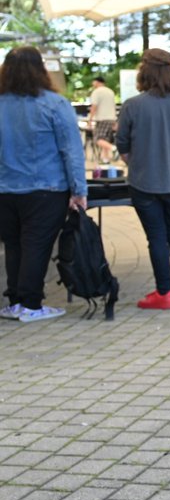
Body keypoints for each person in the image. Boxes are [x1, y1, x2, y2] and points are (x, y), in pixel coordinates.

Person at [0, 46, 87, 323]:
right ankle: (31, 304)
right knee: (37, 245)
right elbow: (71, 151)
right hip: (46, 189)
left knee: (14, 246)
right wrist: (79, 190)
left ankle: (15, 301)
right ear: (41, 70)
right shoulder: (55, 104)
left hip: (5, 189)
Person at [116, 49, 170, 309]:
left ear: (144, 72)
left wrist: (137, 162)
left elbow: (122, 144)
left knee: (156, 237)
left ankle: (164, 292)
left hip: (144, 182)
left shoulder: (133, 105)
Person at [88, 76, 118, 163]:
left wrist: (90, 119)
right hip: (111, 118)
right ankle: (105, 159)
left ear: (97, 82)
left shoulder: (97, 92)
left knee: (98, 139)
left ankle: (114, 148)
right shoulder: (110, 91)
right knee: (106, 139)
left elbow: (94, 106)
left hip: (102, 118)